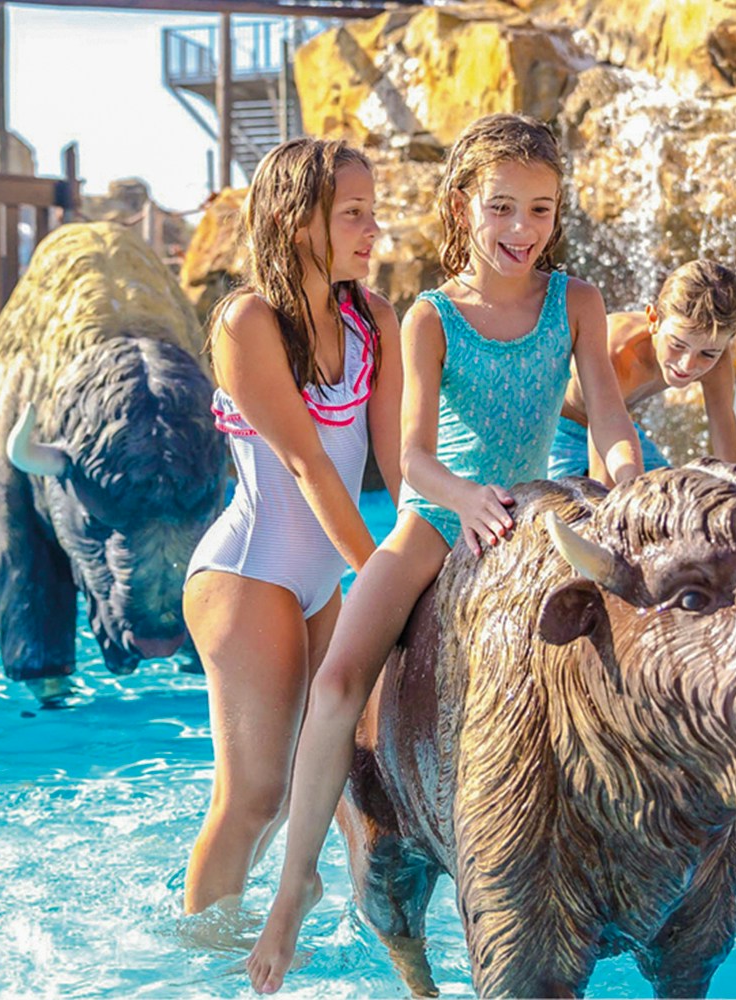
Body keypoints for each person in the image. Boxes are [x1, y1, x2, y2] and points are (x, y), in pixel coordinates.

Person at [245, 112, 643, 993]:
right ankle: (291, 889)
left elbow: (610, 416)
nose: (522, 231)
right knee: (341, 677)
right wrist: (463, 501)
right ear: (464, 206)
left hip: (540, 507)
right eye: (502, 208)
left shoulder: (575, 301)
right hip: (439, 517)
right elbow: (414, 456)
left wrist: (625, 486)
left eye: (540, 209)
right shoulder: (429, 315)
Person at [181, 138, 403, 917]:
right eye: (352, 214)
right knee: (256, 800)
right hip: (249, 575)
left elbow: (399, 463)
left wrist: (430, 563)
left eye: (373, 212)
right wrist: (388, 586)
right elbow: (309, 466)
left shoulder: (374, 318)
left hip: (322, 583)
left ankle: (369, 945)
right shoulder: (248, 321)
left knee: (350, 791)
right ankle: (199, 964)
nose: (373, 230)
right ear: (293, 217)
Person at [548, 259, 736, 484]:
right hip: (556, 426)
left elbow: (729, 454)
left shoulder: (718, 360)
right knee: (590, 504)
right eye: (677, 345)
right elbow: (604, 439)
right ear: (653, 319)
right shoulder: (617, 353)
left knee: (672, 497)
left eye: (707, 354)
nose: (687, 365)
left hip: (619, 426)